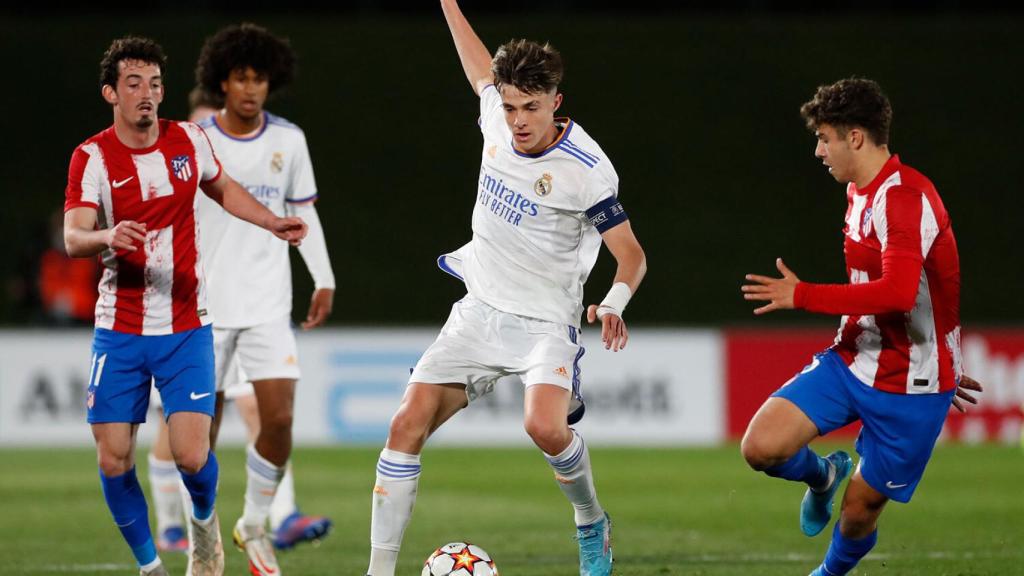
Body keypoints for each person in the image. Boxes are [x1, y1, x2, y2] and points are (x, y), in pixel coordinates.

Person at [365, 2, 647, 576]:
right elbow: (477, 72)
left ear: (556, 102)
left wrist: (614, 302)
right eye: (511, 105)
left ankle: (591, 521)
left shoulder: (587, 169)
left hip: (546, 319)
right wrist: (447, 3)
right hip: (479, 309)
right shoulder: (496, 111)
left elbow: (632, 256)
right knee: (403, 425)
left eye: (532, 108)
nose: (518, 120)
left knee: (544, 426)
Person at [63, 36, 307, 576]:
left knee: (193, 455)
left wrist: (271, 222)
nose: (147, 94)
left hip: (185, 324)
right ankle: (151, 567)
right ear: (111, 93)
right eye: (134, 84)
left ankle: (204, 527)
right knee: (113, 457)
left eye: (154, 83)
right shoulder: (93, 156)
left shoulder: (188, 140)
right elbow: (73, 236)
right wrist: (107, 237)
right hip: (119, 329)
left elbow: (224, 189)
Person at [739, 77, 981, 576]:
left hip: (911, 384)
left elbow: (897, 292)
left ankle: (826, 574)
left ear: (855, 137)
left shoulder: (906, 198)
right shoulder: (857, 193)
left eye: (824, 138)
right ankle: (823, 476)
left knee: (856, 516)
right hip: (854, 359)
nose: (818, 151)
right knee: (761, 447)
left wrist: (802, 295)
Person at [147, 82, 331, 556]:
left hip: (258, 308)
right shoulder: (183, 155)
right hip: (195, 312)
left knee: (264, 415)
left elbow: (292, 209)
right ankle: (174, 525)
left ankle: (278, 516)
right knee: (182, 428)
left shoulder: (266, 150)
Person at [191, 22, 336, 575]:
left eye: (260, 79)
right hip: (203, 309)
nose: (251, 89)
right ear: (221, 82)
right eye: (240, 78)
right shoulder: (197, 140)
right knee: (197, 434)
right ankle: (204, 533)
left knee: (278, 422)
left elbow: (306, 212)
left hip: (268, 306)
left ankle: (254, 522)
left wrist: (322, 276)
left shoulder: (289, 141)